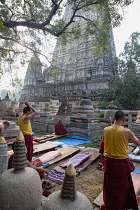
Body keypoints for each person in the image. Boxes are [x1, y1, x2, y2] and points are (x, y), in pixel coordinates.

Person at [100, 110, 140, 210]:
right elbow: (137, 143)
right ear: (123, 120)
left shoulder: (105, 130)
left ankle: (109, 205)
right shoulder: (127, 131)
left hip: (109, 162)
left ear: (113, 119)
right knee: (122, 188)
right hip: (121, 164)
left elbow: (104, 143)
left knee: (109, 187)